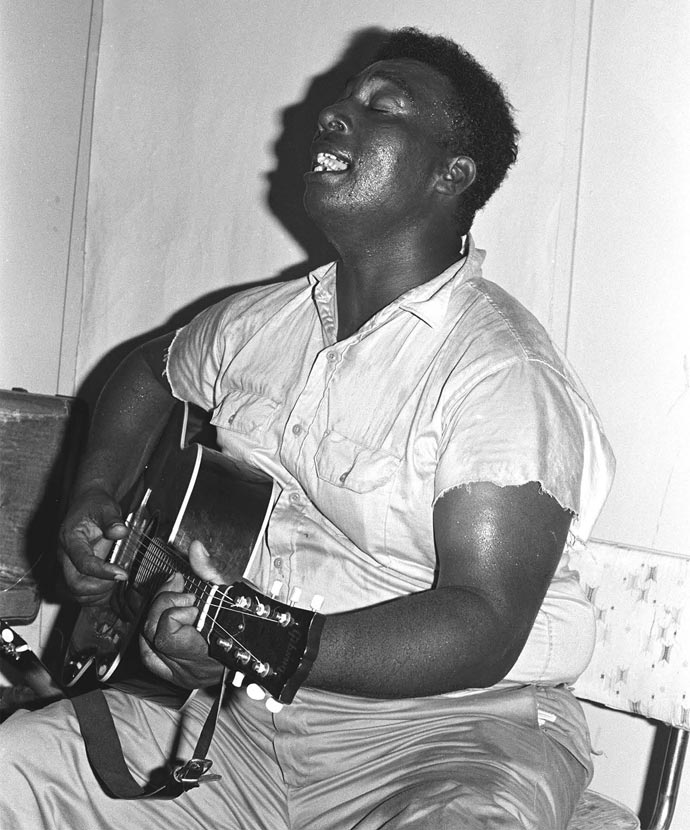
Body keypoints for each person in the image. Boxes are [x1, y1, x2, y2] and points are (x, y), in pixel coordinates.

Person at [0, 27, 614, 829]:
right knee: (16, 773)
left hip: (457, 737)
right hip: (253, 726)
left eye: (380, 106)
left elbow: (483, 620)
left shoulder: (501, 371)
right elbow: (150, 373)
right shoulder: (265, 322)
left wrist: (246, 635)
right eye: (339, 100)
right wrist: (93, 492)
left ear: (451, 174)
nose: (332, 115)